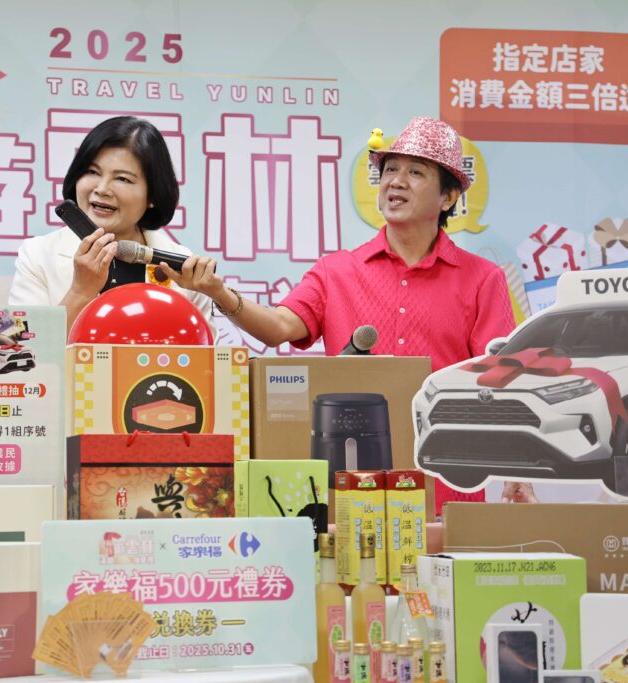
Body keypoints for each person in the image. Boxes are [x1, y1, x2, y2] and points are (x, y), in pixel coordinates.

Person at [163, 115, 519, 514]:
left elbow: (499, 383)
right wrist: (217, 291)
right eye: (390, 170)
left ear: (448, 197)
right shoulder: (337, 271)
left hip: (447, 483)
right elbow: (278, 328)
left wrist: (517, 469)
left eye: (416, 172)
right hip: (353, 483)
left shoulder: (482, 278)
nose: (396, 182)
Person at [8, 116, 214, 340]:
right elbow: (27, 350)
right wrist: (80, 292)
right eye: (92, 172)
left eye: (122, 179)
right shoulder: (38, 254)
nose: (102, 189)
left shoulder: (182, 265)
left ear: (152, 196)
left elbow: (206, 354)